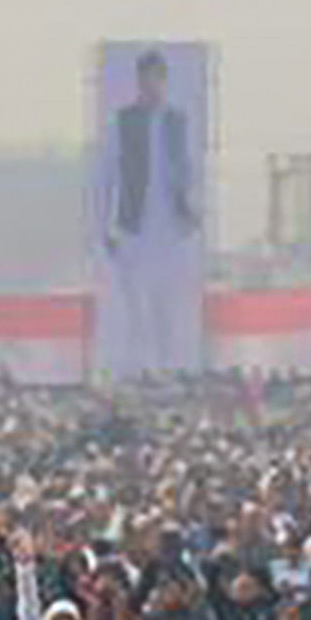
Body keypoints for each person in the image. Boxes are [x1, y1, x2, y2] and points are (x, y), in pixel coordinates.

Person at [100, 50, 202, 385]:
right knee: (135, 301)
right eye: (147, 78)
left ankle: (168, 367)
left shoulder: (177, 121)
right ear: (139, 81)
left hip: (169, 226)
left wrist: (190, 209)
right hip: (133, 224)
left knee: (166, 300)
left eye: (158, 78)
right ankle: (137, 368)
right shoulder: (124, 122)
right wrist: (106, 225)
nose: (152, 85)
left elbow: (188, 169)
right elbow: (107, 175)